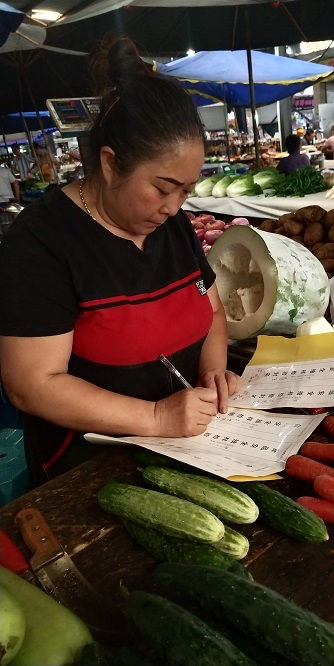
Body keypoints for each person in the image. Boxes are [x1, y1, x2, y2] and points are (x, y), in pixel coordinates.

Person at [0, 36, 240, 486]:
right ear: (110, 164)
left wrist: (213, 373)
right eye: (163, 187)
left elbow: (212, 310)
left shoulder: (172, 227)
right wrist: (154, 416)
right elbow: (32, 383)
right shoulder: (41, 241)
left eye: (187, 190)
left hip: (190, 449)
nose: (174, 206)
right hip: (91, 472)